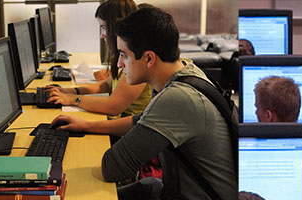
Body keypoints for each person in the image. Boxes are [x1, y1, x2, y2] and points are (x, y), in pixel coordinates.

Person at [50, 6, 236, 199]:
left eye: (124, 55)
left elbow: (111, 168)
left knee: (77, 190)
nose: (120, 64)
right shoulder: (185, 71)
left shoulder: (178, 98)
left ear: (149, 58)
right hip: (175, 189)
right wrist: (86, 125)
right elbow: (141, 121)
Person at [45, 0, 153, 118]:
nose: (102, 35)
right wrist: (69, 92)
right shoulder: (122, 56)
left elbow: (113, 106)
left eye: (103, 28)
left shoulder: (136, 59)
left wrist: (73, 99)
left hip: (126, 129)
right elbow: (104, 86)